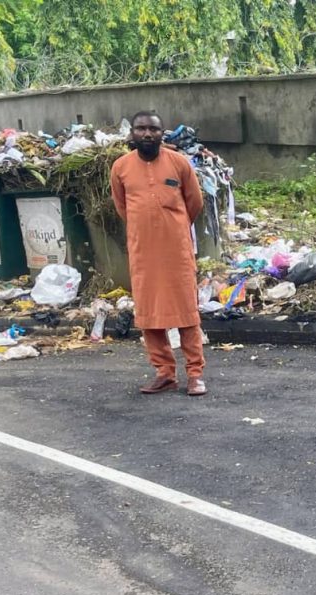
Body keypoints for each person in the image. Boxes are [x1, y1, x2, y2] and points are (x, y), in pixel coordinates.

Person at [110, 111, 208, 396]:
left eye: (153, 129)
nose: (147, 134)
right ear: (133, 134)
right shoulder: (121, 167)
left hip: (176, 250)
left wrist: (172, 226)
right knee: (149, 314)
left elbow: (194, 202)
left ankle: (195, 374)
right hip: (143, 251)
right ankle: (164, 373)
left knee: (186, 313)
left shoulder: (178, 163)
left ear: (162, 133)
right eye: (141, 129)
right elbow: (122, 206)